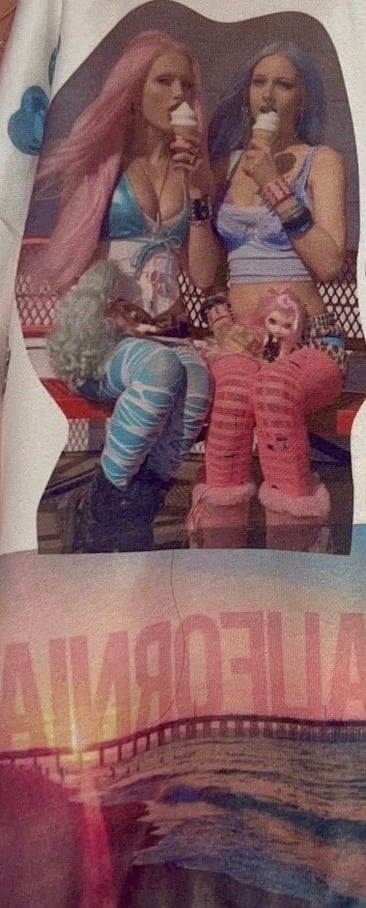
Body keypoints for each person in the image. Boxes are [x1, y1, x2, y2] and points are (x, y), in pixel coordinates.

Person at [31, 31, 214, 551]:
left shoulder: (193, 173)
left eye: (186, 84)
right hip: (100, 341)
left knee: (197, 380)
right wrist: (111, 306)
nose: (178, 94)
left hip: (163, 338)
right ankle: (101, 510)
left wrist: (198, 192)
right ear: (133, 91)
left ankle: (136, 511)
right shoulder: (99, 168)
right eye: (164, 81)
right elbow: (69, 267)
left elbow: (203, 276)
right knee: (161, 370)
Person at [187, 42, 348, 546]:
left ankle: (296, 540)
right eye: (259, 82)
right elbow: (204, 275)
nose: (269, 95)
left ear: (304, 97)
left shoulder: (322, 161)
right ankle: (220, 546)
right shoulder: (224, 166)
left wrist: (275, 185)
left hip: (311, 344)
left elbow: (329, 262)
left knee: (275, 389)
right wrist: (197, 196)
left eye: (284, 84)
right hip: (240, 343)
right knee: (235, 393)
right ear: (247, 94)